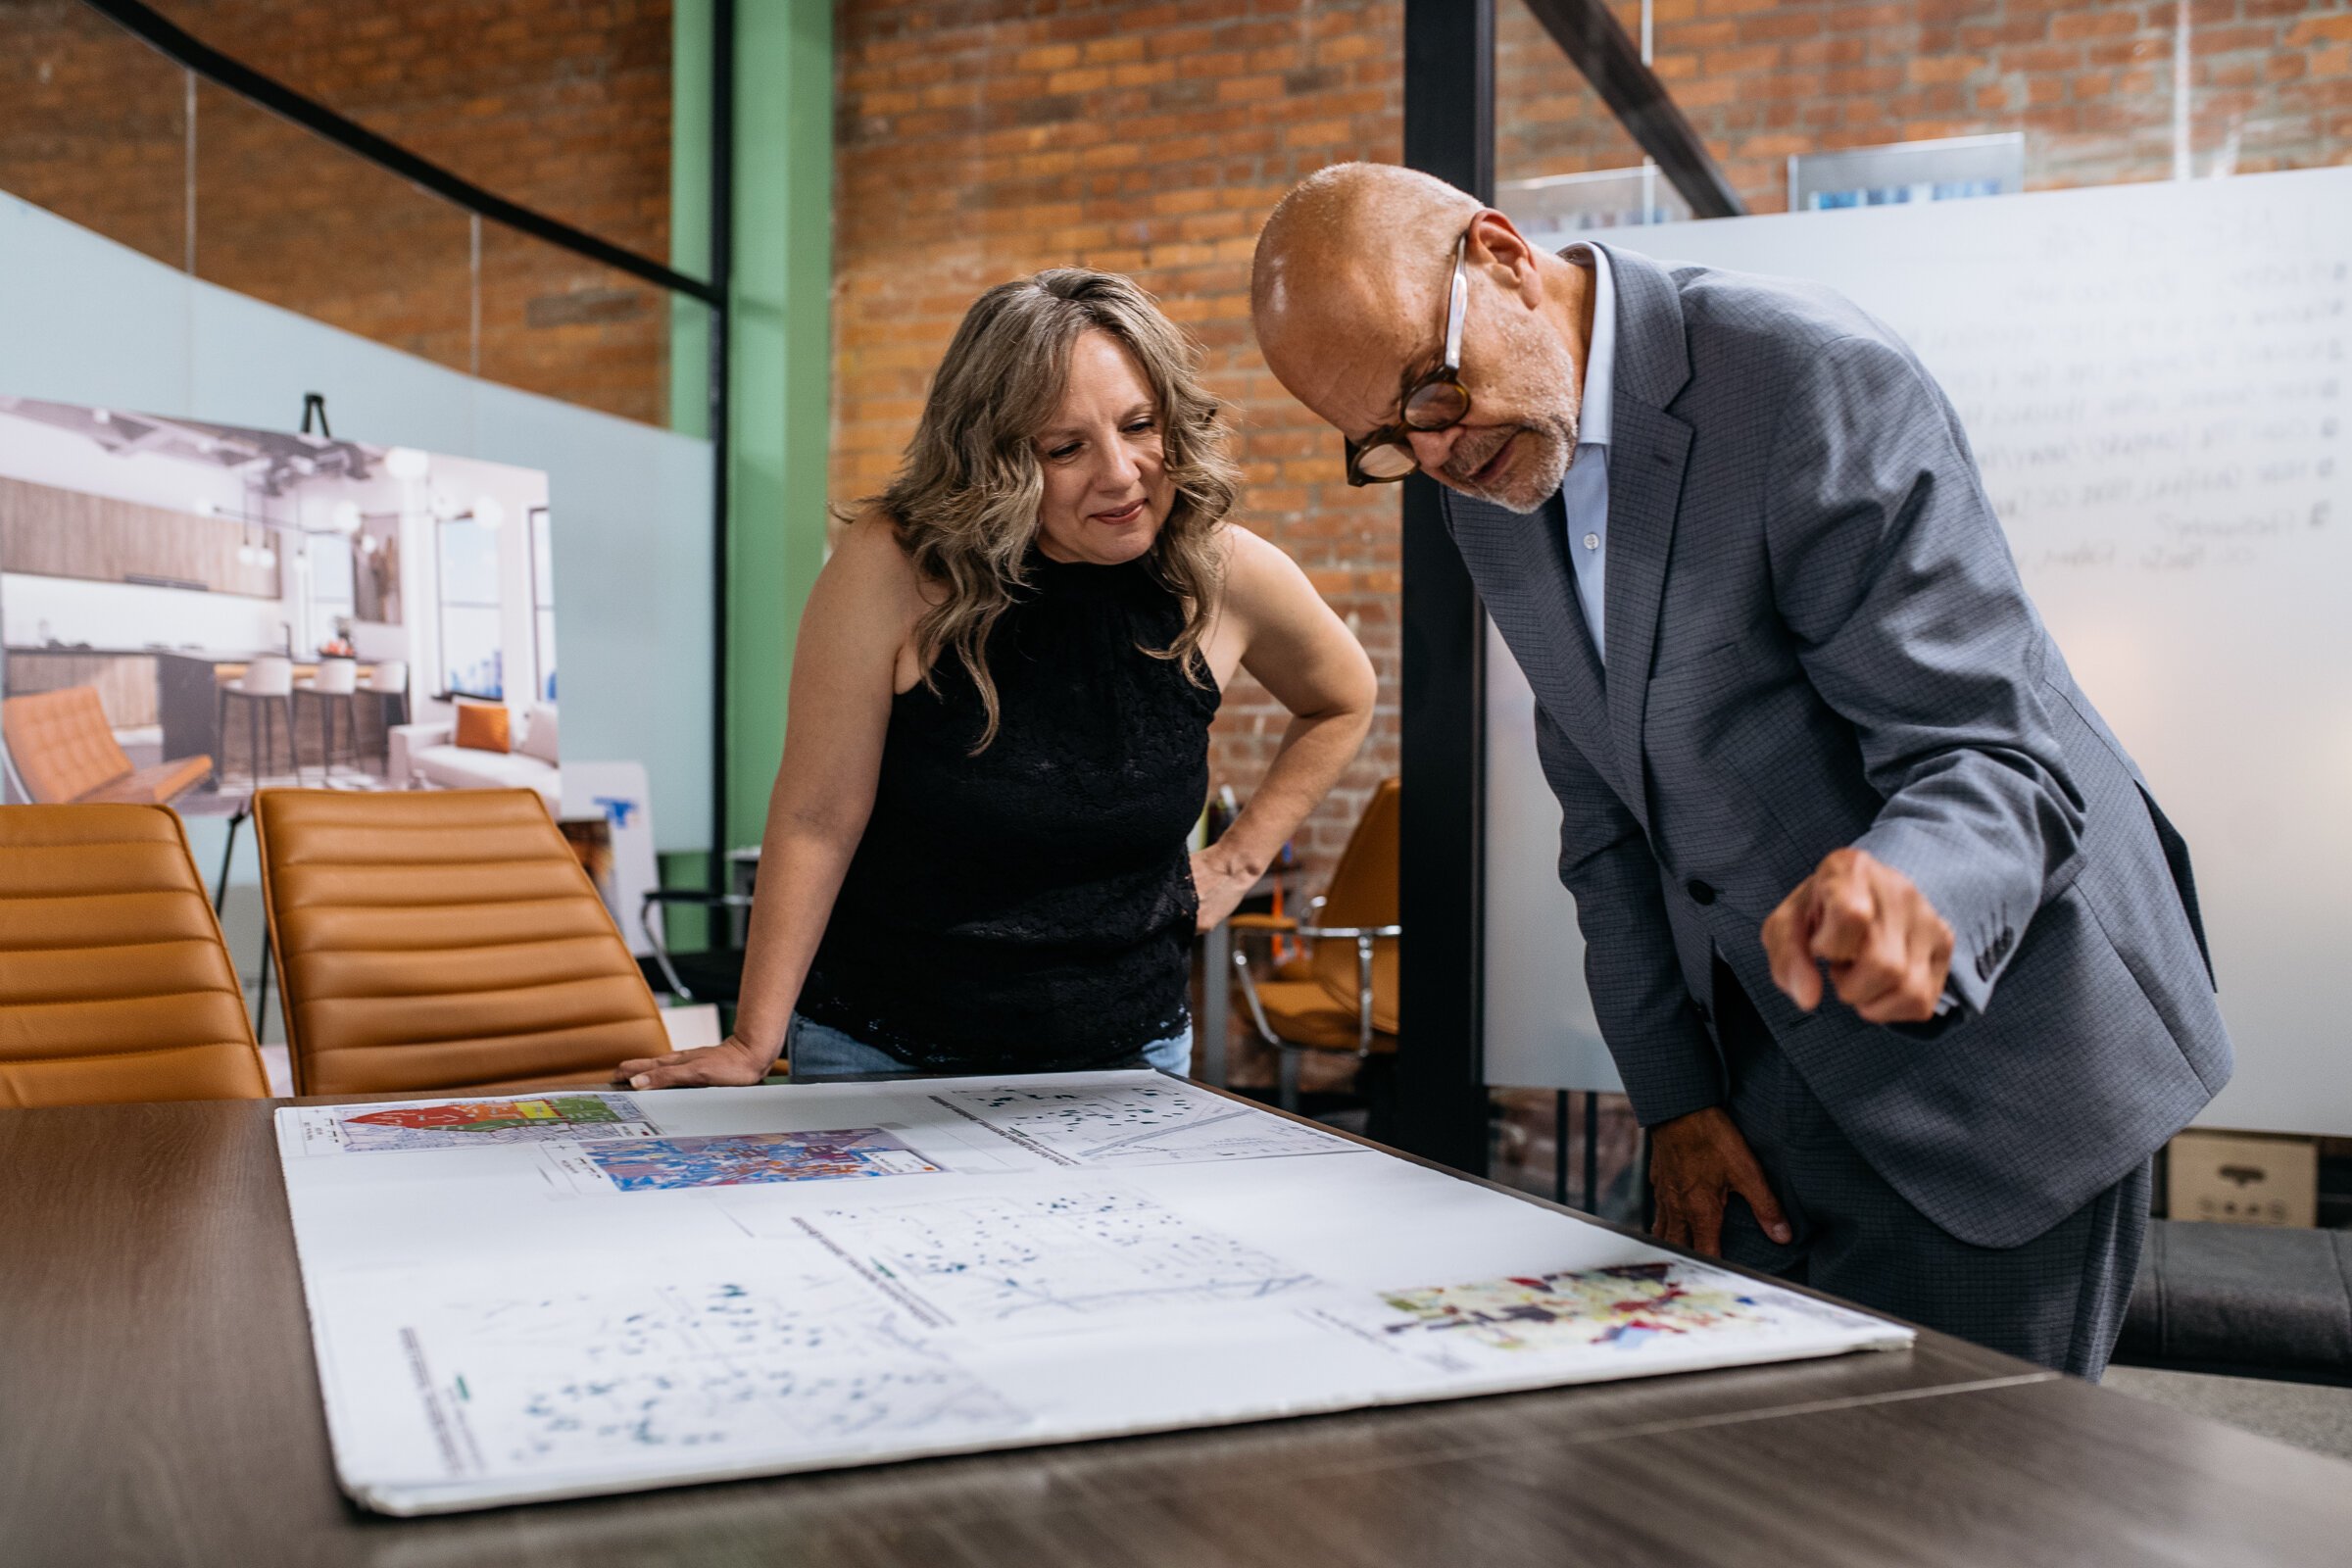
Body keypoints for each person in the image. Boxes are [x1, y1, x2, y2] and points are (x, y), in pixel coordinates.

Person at [1249, 163, 2230, 1379]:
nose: (1437, 453)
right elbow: (1604, 812)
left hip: (1994, 1058)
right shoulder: (1490, 480)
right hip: (1768, 1053)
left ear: (1501, 257)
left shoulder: (1807, 379)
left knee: (1967, 1512)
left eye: (1431, 389)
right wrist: (1672, 1096)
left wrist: (1908, 882)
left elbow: (1995, 749)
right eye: (1385, 443)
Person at [619, 269, 1376, 1090]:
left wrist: (1236, 863)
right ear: (994, 460)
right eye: (1066, 448)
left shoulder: (1220, 572)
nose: (1121, 473)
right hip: (887, 1054)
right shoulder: (896, 566)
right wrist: (750, 1043)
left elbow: (1342, 697)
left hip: (1130, 1056)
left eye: (1139, 425)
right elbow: (815, 816)